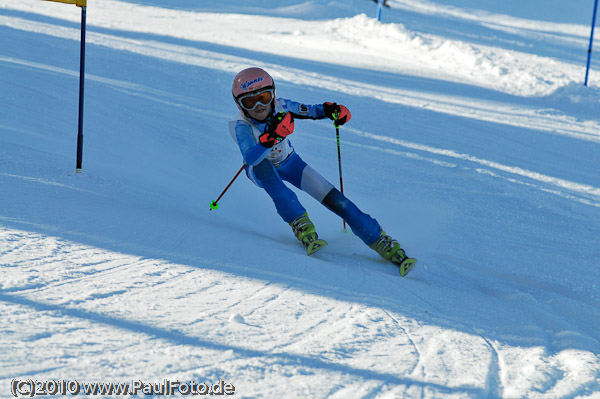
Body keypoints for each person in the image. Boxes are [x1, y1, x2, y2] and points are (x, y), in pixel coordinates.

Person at [228, 67, 416, 275]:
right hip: (260, 170)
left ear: (274, 94)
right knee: (273, 180)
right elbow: (250, 158)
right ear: (240, 105)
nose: (259, 106)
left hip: (290, 162)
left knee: (337, 199)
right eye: (249, 101)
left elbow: (310, 110)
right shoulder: (241, 125)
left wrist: (330, 110)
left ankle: (380, 240)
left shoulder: (282, 106)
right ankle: (300, 223)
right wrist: (272, 136)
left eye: (264, 97)